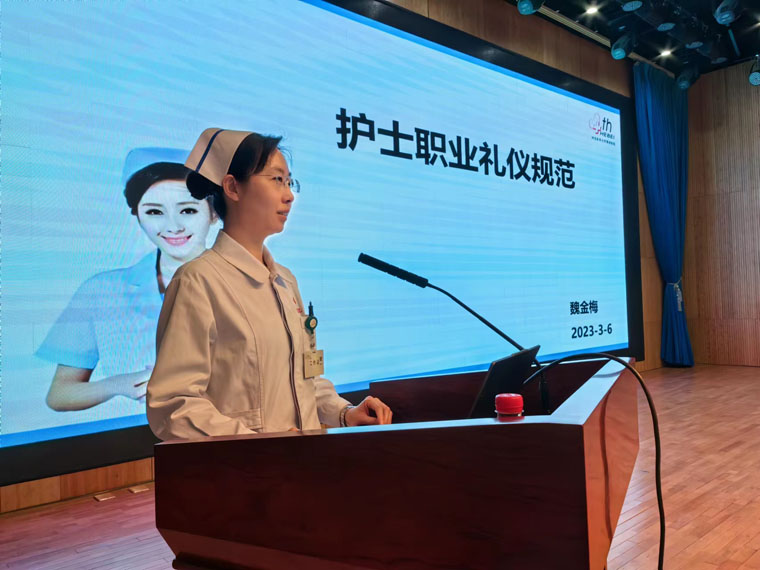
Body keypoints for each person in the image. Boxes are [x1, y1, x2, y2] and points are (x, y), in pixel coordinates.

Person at [146, 129, 392, 439]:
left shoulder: (285, 281)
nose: (289, 195)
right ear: (232, 187)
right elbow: (173, 404)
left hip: (305, 461)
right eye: (276, 180)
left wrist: (344, 413)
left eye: (289, 182)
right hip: (249, 466)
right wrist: (257, 443)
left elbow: (304, 379)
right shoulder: (198, 282)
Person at [38, 148, 218, 412]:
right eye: (154, 212)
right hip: (134, 434)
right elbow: (59, 395)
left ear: (214, 213)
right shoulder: (101, 290)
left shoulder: (251, 283)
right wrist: (121, 384)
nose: (173, 226)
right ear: (137, 214)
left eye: (188, 210)